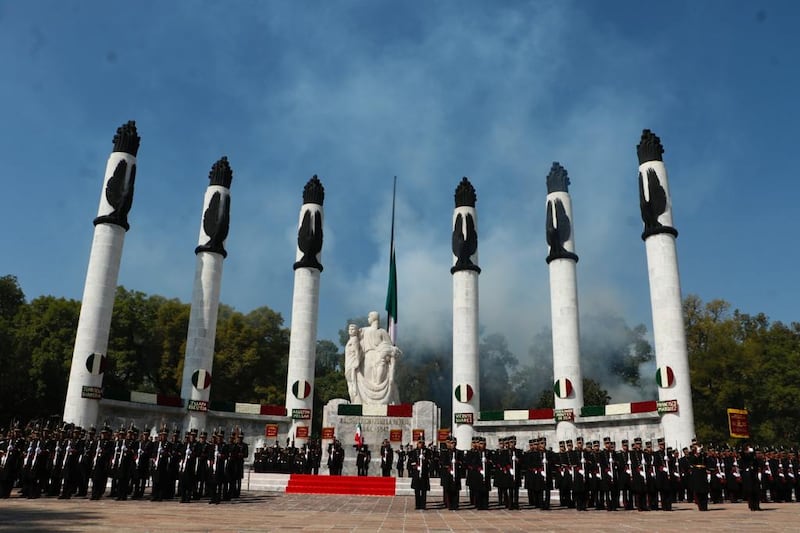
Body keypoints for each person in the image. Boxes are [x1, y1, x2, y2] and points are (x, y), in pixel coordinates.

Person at [408, 439, 431, 510]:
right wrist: (416, 466)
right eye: (419, 443)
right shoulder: (414, 452)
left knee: (424, 490)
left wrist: (424, 459)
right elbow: (411, 461)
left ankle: (423, 505)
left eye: (422, 443)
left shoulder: (427, 451)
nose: (420, 444)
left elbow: (430, 460)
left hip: (424, 473)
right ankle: (417, 505)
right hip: (416, 473)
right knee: (417, 490)